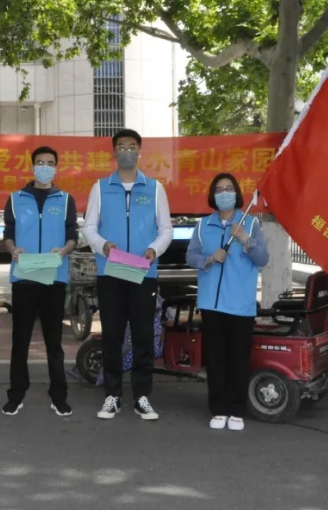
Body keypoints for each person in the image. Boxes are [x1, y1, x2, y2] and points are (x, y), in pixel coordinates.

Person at [82, 128, 172, 421]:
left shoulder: (155, 189)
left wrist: (154, 249)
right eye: (122, 147)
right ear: (114, 152)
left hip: (144, 272)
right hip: (111, 271)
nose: (127, 152)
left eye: (132, 147)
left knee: (144, 335)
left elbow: (166, 229)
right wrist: (103, 245)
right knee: (112, 336)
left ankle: (142, 397)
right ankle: (112, 395)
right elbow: (89, 228)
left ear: (140, 152)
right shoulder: (100, 187)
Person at [185, 173, 268, 432]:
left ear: (237, 193)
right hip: (211, 304)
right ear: (213, 195)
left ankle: (236, 410)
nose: (224, 193)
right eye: (219, 189)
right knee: (216, 358)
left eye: (229, 188)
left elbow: (263, 258)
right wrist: (209, 259)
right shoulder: (203, 225)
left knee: (238, 359)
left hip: (240, 304)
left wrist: (245, 239)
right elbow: (191, 256)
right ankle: (218, 408)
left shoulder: (250, 224)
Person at [2, 146, 78, 417]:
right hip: (24, 277)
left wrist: (65, 250)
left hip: (53, 277)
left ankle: (58, 395)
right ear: (32, 166)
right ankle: (16, 393)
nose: (45, 167)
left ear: (56, 167)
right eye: (40, 162)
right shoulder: (15, 199)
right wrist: (12, 249)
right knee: (20, 340)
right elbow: (8, 234)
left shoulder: (66, 199)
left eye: (50, 163)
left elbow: (73, 236)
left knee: (53, 342)